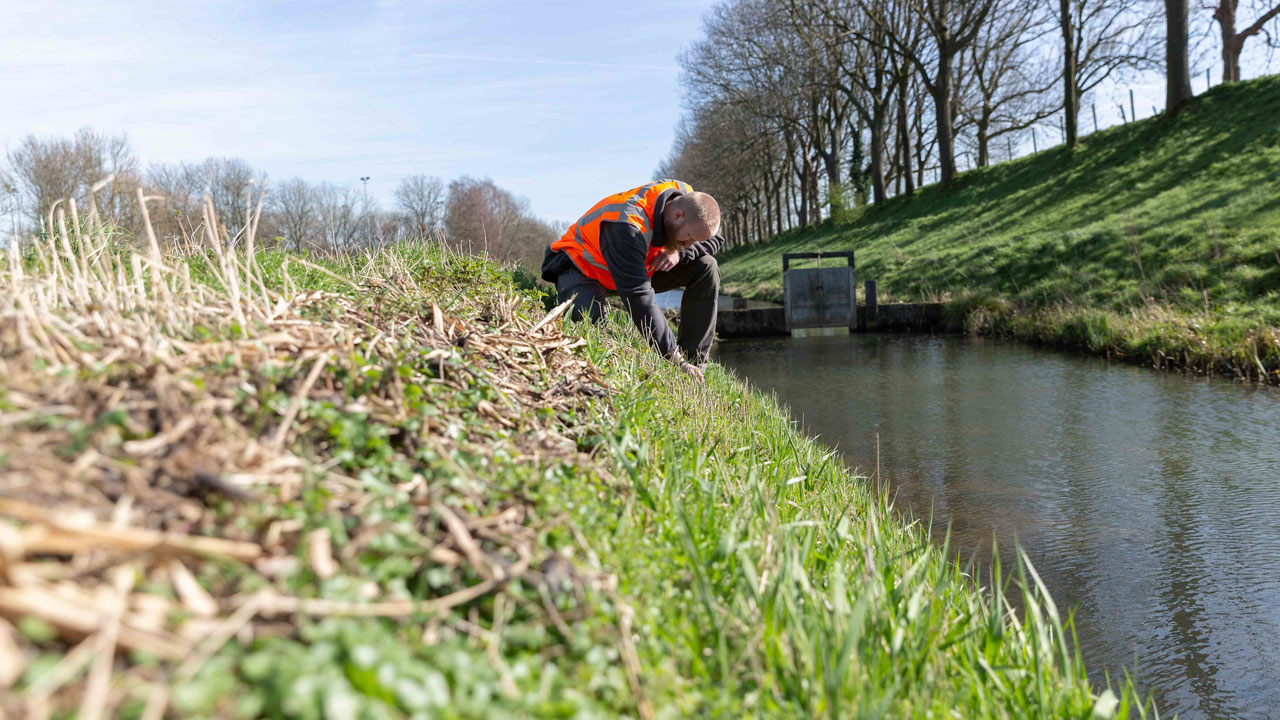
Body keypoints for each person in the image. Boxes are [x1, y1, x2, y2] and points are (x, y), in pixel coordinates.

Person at [540, 179, 723, 382]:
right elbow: (639, 297)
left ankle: (693, 366)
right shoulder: (626, 225)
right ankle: (680, 363)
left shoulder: (687, 198)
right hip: (584, 267)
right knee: (588, 325)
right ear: (677, 216)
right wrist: (672, 357)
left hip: (637, 266)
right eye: (688, 238)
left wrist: (680, 253)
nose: (689, 244)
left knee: (706, 266)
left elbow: (716, 238)